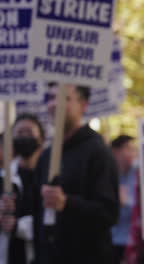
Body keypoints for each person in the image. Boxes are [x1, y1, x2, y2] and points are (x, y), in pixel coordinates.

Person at [33, 83, 119, 264]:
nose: (55, 104)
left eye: (65, 98)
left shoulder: (97, 152)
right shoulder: (46, 156)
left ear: (84, 105)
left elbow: (108, 213)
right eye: (51, 98)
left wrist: (67, 204)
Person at [0, 113, 45, 264]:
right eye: (20, 133)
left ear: (41, 138)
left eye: (29, 132)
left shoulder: (49, 177)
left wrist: (19, 227)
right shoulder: (4, 178)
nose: (25, 137)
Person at [110, 135, 138, 264]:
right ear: (115, 152)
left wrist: (126, 202)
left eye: (134, 149)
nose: (133, 153)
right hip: (113, 240)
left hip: (134, 241)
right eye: (128, 148)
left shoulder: (138, 174)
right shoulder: (107, 176)